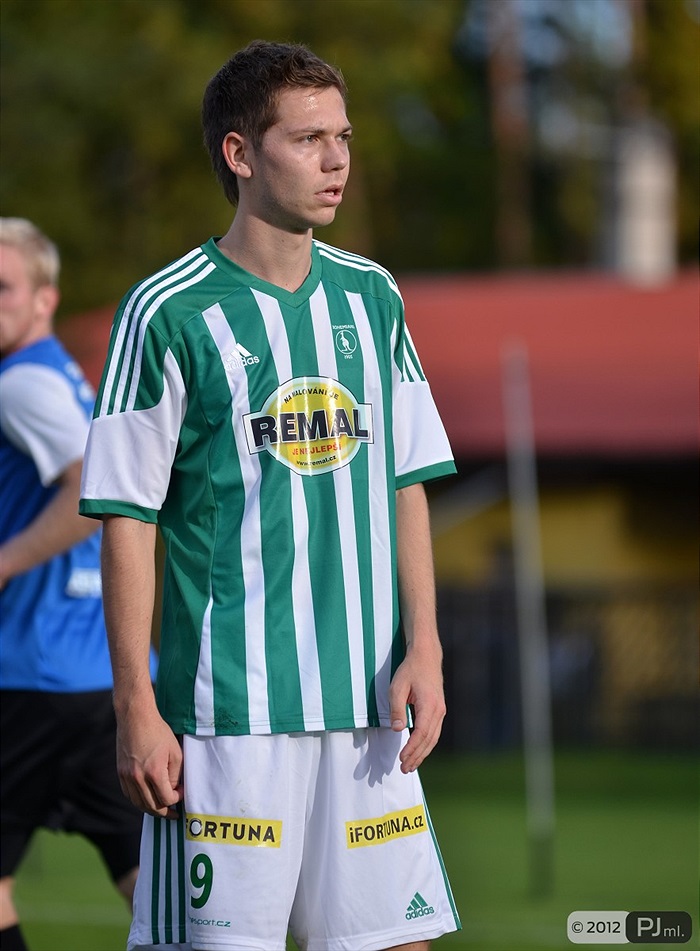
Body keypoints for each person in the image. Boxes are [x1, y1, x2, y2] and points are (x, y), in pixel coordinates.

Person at [80, 40, 461, 951]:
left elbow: (406, 477)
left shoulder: (373, 297)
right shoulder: (165, 311)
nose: (337, 161)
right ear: (240, 154)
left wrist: (428, 648)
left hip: (369, 710)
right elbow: (126, 514)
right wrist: (135, 699)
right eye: (307, 139)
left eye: (344, 137)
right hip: (227, 716)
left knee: (396, 943)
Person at [0, 218, 157, 951]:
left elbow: (88, 492)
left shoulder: (22, 381)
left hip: (33, 675)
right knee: (149, 882)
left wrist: (4, 560)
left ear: (43, 299)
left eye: (3, 287)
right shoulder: (62, 373)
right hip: (99, 678)